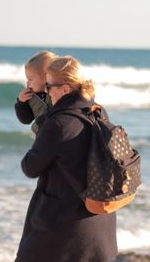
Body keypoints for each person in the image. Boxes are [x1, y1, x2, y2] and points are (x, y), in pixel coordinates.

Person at [15, 56, 118, 262]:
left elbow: (30, 167)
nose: (46, 90)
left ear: (65, 89)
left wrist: (45, 124)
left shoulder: (59, 123)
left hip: (61, 227)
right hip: (98, 224)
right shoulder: (98, 111)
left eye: (49, 85)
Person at [14, 51, 57, 134]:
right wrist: (21, 103)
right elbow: (26, 120)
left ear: (46, 77)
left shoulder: (57, 92)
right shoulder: (32, 96)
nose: (27, 83)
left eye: (30, 79)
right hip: (41, 137)